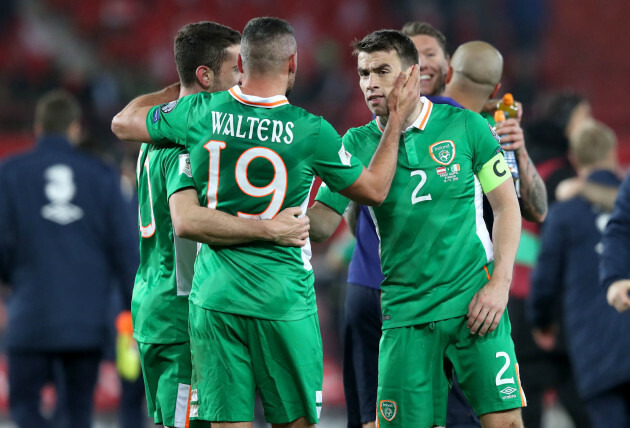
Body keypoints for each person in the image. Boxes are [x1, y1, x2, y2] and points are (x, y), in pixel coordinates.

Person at [112, 17, 420, 428]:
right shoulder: (312, 130)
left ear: (242, 62)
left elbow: (123, 123)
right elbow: (376, 190)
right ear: (292, 63)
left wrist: (179, 88)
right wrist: (396, 122)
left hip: (214, 297)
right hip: (282, 298)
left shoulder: (199, 111)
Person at [312, 29, 523, 427]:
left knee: (506, 422)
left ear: (410, 75)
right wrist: (267, 220)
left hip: (474, 305)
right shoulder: (354, 144)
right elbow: (321, 225)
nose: (370, 82)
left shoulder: (465, 126)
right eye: (363, 73)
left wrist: (500, 285)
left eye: (381, 71)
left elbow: (507, 208)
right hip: (405, 313)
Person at [128, 21, 315, 428]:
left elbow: (124, 119)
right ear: (205, 76)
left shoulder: (152, 137)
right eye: (236, 69)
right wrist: (269, 228)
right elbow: (187, 220)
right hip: (180, 312)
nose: (245, 78)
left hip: (155, 302)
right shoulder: (183, 143)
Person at [0, 90, 138, 428]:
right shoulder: (103, 176)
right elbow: (125, 250)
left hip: (28, 317)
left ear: (38, 128)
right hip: (86, 324)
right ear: (76, 129)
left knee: (24, 408)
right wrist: (131, 310)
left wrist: (12, 280)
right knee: (77, 414)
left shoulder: (10, 173)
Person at [529, 120, 630, 427]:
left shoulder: (563, 214)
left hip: (593, 348)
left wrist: (541, 321)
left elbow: (544, 279)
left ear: (574, 159)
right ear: (613, 153)